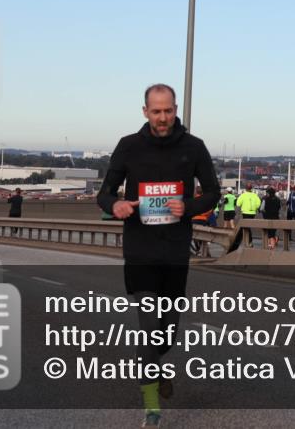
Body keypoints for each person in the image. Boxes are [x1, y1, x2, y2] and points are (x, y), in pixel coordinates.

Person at [97, 83, 220, 427]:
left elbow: (212, 193)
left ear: (175, 109)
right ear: (145, 111)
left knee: (166, 335)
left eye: (168, 111)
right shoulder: (129, 146)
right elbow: (105, 193)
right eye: (156, 111)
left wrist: (189, 206)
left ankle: (155, 367)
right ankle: (151, 409)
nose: (163, 118)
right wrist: (116, 204)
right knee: (148, 328)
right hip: (140, 248)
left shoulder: (194, 147)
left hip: (175, 250)